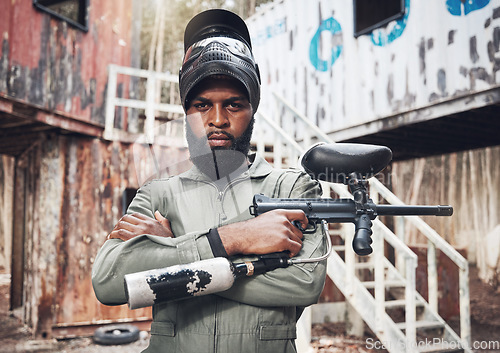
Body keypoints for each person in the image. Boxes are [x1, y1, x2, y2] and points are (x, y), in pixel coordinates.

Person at [92, 8, 327, 353]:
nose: (217, 120)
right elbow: (110, 281)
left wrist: (174, 253)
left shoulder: (291, 189)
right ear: (186, 114)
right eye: (202, 106)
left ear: (253, 111)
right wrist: (235, 238)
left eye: (233, 105)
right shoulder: (158, 195)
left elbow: (305, 283)